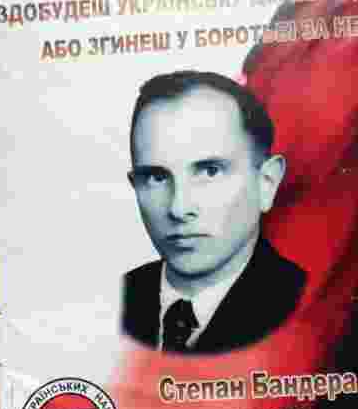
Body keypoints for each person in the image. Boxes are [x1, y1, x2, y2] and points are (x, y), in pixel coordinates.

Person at [121, 71, 306, 354]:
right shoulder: (111, 303)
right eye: (156, 177)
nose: (179, 208)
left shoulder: (318, 306)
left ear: (266, 183)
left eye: (210, 171)